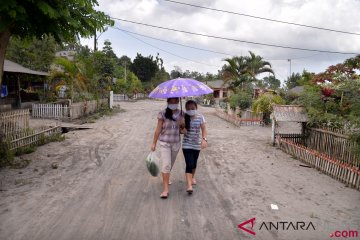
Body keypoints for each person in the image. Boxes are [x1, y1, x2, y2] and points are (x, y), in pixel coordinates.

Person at [151, 97, 184, 199]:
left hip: (176, 143)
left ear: (178, 102)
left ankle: (166, 177)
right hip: (165, 142)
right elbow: (158, 129)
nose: (173, 103)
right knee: (166, 164)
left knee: (170, 165)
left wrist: (182, 124)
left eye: (175, 101)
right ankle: (165, 190)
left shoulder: (182, 113)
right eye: (171, 101)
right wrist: (154, 143)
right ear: (168, 102)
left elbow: (183, 131)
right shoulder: (162, 113)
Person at [182, 100, 207, 194]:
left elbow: (204, 129)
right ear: (185, 109)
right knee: (189, 164)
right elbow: (180, 130)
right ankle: (189, 185)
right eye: (188, 109)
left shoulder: (200, 117)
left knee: (194, 164)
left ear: (196, 108)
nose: (190, 110)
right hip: (186, 144)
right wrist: (182, 130)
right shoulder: (184, 117)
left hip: (196, 144)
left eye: (192, 108)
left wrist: (204, 139)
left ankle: (192, 177)